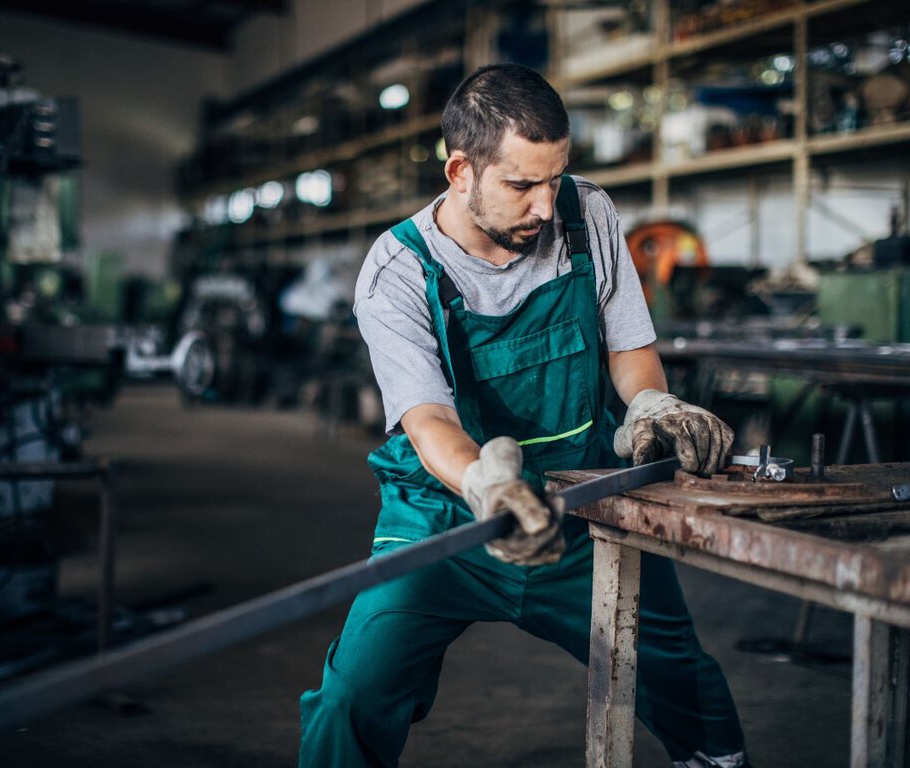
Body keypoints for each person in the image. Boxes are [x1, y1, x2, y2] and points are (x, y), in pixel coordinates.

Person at [300, 63, 748, 768]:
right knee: (353, 696)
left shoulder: (586, 212)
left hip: (585, 504)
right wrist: (489, 486)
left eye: (555, 177)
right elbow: (428, 423)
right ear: (460, 171)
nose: (545, 206)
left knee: (679, 676)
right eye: (520, 185)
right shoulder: (397, 271)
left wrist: (653, 402)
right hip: (448, 514)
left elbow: (630, 350)